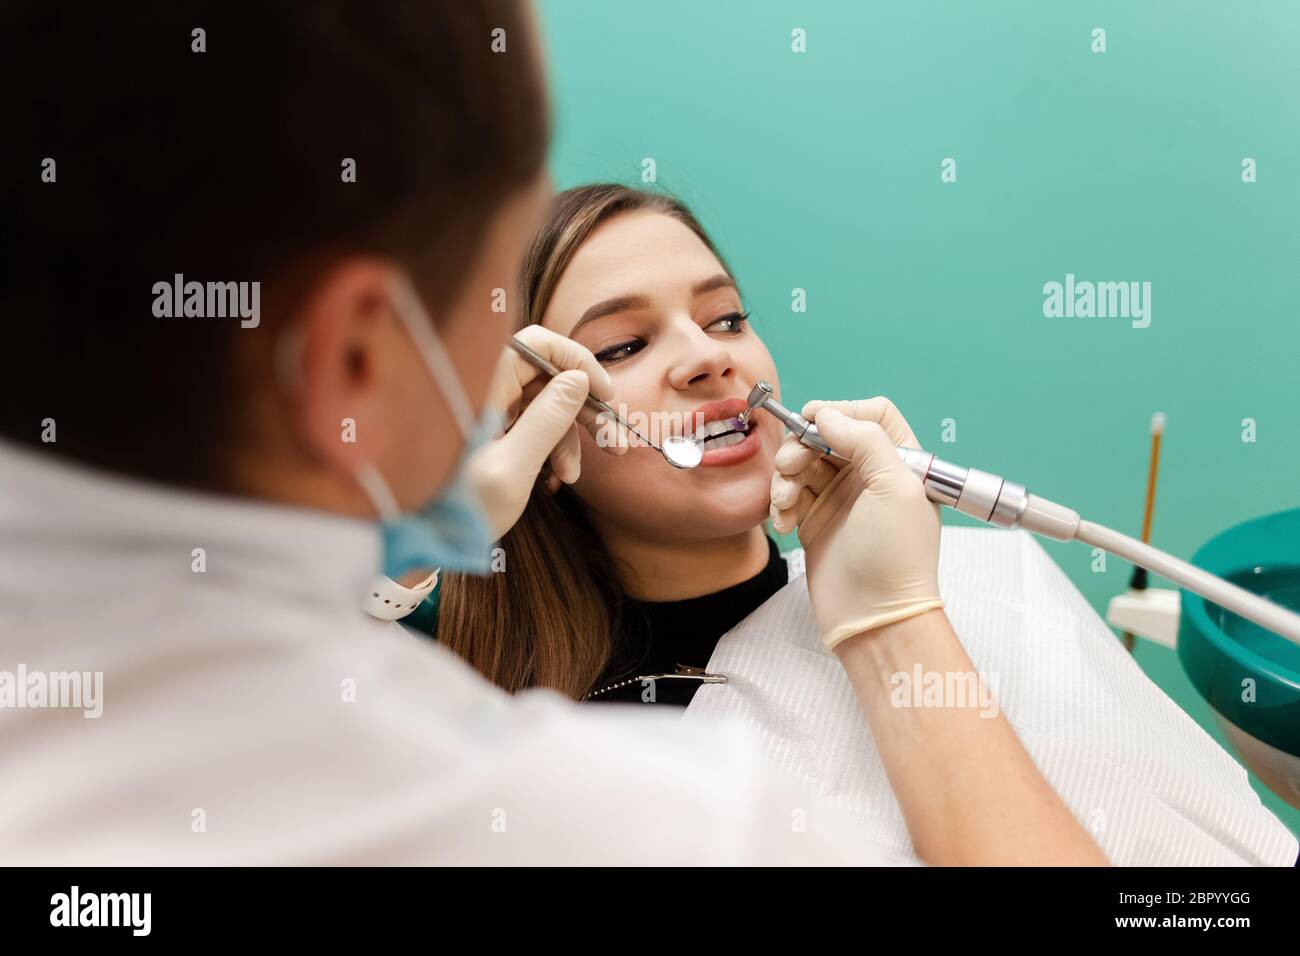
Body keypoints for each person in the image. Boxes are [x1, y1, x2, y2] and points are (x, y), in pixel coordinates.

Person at [1, 1, 1107, 864]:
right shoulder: (636, 809)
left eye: (727, 317)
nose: (711, 354)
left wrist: (902, 614)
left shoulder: (994, 585)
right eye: (617, 347)